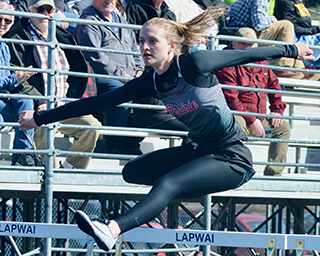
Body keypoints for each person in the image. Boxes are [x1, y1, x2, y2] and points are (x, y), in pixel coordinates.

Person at [18, 7, 314, 251]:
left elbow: (245, 56)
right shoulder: (152, 81)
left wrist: (293, 48)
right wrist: (40, 119)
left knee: (167, 185)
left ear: (172, 46)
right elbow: (98, 101)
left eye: (152, 42)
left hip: (232, 157)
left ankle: (112, 229)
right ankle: (151, 213)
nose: (144, 47)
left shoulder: (194, 64)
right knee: (132, 172)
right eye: (141, 40)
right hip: (198, 151)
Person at [5, 0, 101, 169]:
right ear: (29, 11)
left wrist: (71, 98)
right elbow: (18, 79)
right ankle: (51, 178)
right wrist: (40, 101)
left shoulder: (61, 35)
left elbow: (76, 72)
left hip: (62, 104)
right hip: (37, 107)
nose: (46, 14)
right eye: (40, 9)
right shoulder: (17, 37)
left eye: (50, 10)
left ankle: (68, 173)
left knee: (92, 126)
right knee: (42, 127)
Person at [216, 27, 291, 176]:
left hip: (258, 119)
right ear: (234, 43)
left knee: (283, 128)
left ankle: (274, 174)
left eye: (251, 44)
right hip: (238, 117)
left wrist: (277, 110)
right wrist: (252, 120)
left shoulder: (262, 62)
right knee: (236, 126)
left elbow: (274, 86)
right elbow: (231, 99)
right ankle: (234, 171)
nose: (248, 47)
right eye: (244, 43)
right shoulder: (227, 63)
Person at [74, 0, 144, 154]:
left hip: (130, 76)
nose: (108, 1)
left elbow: (135, 48)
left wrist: (140, 71)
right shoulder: (88, 21)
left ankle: (131, 143)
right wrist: (122, 76)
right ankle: (114, 145)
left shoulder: (120, 19)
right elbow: (94, 56)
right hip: (100, 78)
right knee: (121, 93)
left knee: (151, 95)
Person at [227, 0, 307, 79]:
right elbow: (259, 24)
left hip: (240, 31)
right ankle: (283, 66)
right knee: (286, 26)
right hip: (245, 34)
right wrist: (272, 19)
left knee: (285, 29)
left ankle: (298, 69)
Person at [0, 1, 37, 165]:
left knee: (26, 101)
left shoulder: (4, 47)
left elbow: (5, 82)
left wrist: (20, 78)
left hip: (3, 98)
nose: (2, 24)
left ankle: (24, 155)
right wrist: (17, 77)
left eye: (7, 21)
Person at [274, 0, 320, 67]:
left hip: (308, 37)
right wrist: (316, 30)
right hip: (299, 40)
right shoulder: (285, 2)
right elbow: (292, 28)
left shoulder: (298, 2)